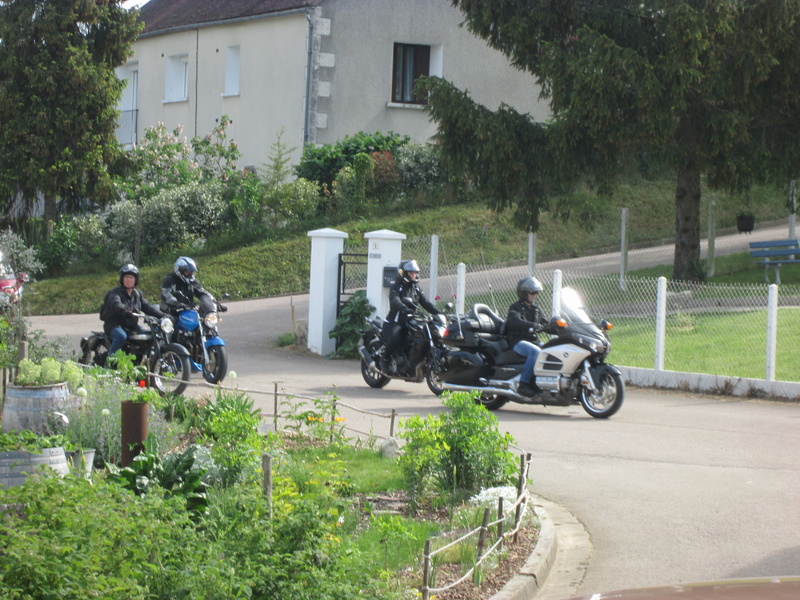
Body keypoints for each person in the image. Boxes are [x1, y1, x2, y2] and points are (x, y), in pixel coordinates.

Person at [381, 259, 442, 374]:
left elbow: (426, 303)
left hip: (410, 321)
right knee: (396, 338)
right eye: (411, 273)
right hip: (395, 322)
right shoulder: (396, 287)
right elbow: (395, 301)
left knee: (422, 335)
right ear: (403, 273)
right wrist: (405, 308)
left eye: (415, 273)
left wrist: (439, 313)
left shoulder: (416, 288)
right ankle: (384, 358)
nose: (414, 275)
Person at [100, 263, 167, 364]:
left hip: (131, 326)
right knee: (121, 336)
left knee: (148, 336)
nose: (129, 280)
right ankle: (110, 363)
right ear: (122, 279)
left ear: (135, 280)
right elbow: (116, 304)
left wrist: (163, 316)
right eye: (127, 277)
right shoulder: (115, 292)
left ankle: (141, 361)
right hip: (114, 325)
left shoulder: (137, 294)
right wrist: (125, 311)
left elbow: (148, 307)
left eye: (131, 277)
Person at [506, 276, 549, 396]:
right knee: (535, 352)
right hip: (518, 341)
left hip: (533, 340)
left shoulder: (536, 309)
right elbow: (514, 321)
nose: (535, 295)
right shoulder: (515, 307)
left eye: (536, 293)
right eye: (532, 293)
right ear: (524, 293)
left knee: (550, 350)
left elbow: (545, 324)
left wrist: (560, 327)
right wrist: (532, 325)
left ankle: (538, 382)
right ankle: (523, 384)